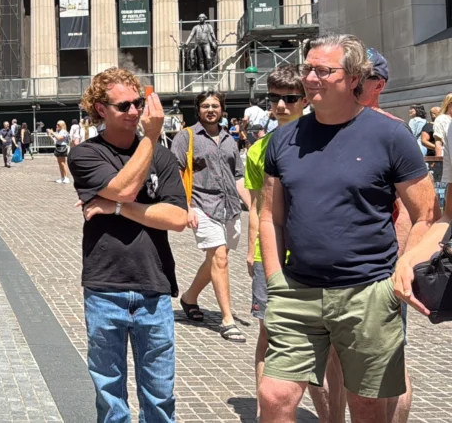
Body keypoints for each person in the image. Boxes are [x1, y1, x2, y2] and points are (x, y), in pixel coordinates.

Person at [258, 34, 435, 423]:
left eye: (324, 70)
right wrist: (274, 277)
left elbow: (426, 213)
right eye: (308, 68)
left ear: (354, 78)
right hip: (297, 291)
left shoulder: (390, 136)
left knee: (368, 406)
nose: (310, 78)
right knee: (274, 396)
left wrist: (401, 271)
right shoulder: (284, 140)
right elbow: (270, 215)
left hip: (368, 292)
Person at [67, 67, 188, 423]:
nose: (135, 112)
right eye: (124, 106)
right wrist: (151, 139)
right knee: (110, 396)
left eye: (139, 103)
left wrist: (116, 208)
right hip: (106, 288)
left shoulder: (164, 158)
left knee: (160, 396)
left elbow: (178, 219)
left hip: (154, 287)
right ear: (101, 109)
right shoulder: (86, 155)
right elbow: (125, 187)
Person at [244, 65, 341, 422]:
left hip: (311, 254)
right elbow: (257, 207)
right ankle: (263, 412)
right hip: (269, 254)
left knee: (324, 343)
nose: (281, 106)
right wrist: (252, 251)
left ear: (305, 99)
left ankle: (329, 416)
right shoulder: (258, 149)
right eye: (274, 99)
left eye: (289, 98)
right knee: (268, 335)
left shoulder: (324, 139)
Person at [356, 48, 416, 423]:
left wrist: (399, 264)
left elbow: (413, 208)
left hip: (382, 265)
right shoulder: (332, 125)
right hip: (337, 268)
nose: (351, 83)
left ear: (379, 84)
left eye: (359, 77)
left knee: (390, 361)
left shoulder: (393, 131)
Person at [170, 90, 247, 343]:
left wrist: (251, 204)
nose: (211, 109)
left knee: (215, 258)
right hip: (202, 205)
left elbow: (237, 175)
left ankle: (189, 298)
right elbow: (176, 173)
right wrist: (186, 207)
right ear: (198, 109)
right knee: (220, 258)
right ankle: (227, 320)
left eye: (215, 105)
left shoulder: (229, 139)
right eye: (205, 106)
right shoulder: (186, 137)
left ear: (222, 109)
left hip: (229, 206)